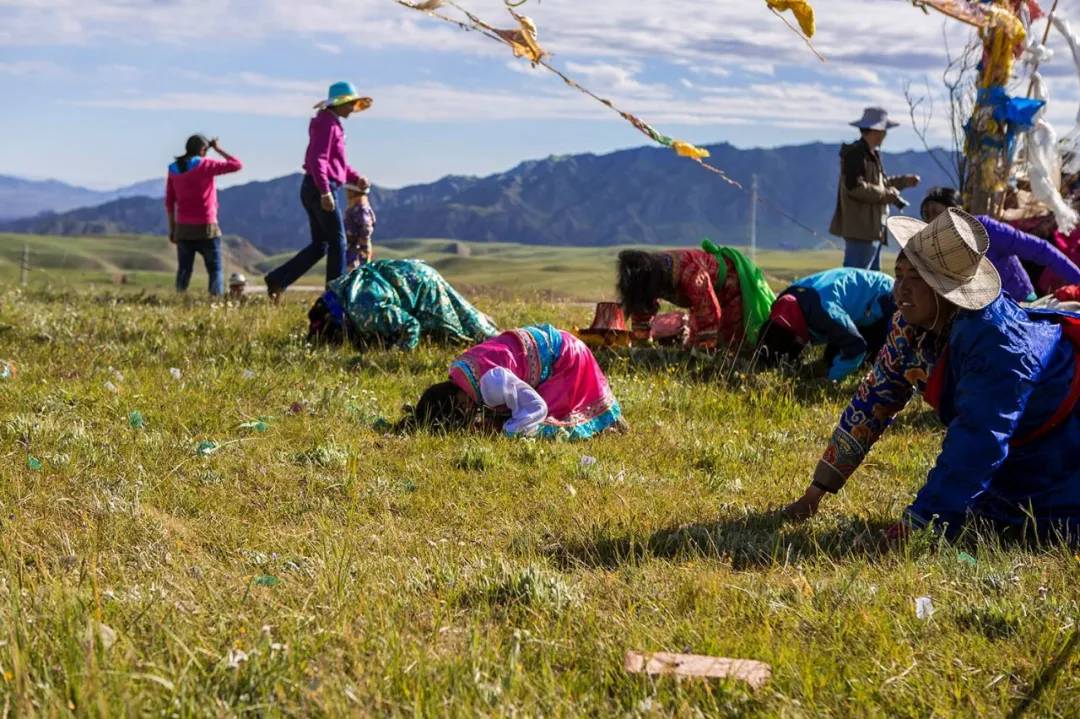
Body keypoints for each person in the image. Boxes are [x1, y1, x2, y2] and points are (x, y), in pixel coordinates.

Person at [783, 208, 1080, 541]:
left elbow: (978, 438)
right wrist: (816, 493)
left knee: (1044, 527)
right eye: (899, 274)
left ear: (945, 290)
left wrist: (919, 526)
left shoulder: (996, 342)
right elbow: (873, 401)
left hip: (1064, 439)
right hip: (1016, 441)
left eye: (918, 278)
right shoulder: (908, 326)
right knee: (983, 516)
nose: (902, 289)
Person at [401, 324, 626, 440]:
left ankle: (606, 427)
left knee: (546, 425)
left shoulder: (490, 384)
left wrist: (506, 432)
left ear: (461, 406)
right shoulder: (460, 369)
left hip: (566, 357)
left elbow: (537, 408)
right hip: (555, 342)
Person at [265, 82, 372, 299]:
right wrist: (325, 192)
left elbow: (337, 164)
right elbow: (318, 158)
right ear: (341, 103)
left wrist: (355, 177)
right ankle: (335, 294)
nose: (353, 108)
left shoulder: (332, 124)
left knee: (321, 244)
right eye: (351, 103)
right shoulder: (326, 124)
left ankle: (278, 279)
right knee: (337, 242)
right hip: (320, 187)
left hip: (318, 186)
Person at [920, 186, 1080, 301]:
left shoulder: (985, 228)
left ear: (956, 211)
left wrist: (1078, 281)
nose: (930, 220)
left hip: (1020, 304)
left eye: (935, 212)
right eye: (926, 215)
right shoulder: (937, 250)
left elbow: (1040, 250)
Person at [617, 240, 775, 350]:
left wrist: (704, 349)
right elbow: (641, 305)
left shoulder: (690, 273)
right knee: (690, 346)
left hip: (730, 288)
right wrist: (642, 341)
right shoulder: (647, 277)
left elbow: (708, 311)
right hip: (700, 299)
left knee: (732, 344)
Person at [306, 259, 497, 350]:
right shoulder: (339, 294)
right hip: (411, 273)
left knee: (470, 334)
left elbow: (411, 326)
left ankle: (509, 339)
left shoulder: (363, 310)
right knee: (464, 313)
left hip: (422, 287)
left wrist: (400, 352)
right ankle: (485, 321)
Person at [757, 268, 896, 381]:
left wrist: (829, 380)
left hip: (885, 298)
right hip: (853, 300)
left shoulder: (826, 312)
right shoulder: (782, 305)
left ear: (796, 338)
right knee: (830, 359)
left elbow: (856, 347)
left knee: (873, 363)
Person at [829, 107, 920, 271]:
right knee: (857, 276)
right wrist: (886, 195)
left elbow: (879, 184)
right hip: (861, 229)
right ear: (878, 130)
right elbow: (855, 188)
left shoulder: (870, 154)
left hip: (871, 229)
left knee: (869, 277)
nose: (885, 135)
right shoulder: (856, 154)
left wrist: (904, 182)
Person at [164, 135, 242, 296]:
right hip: (206, 226)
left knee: (184, 269)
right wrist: (218, 149)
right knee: (215, 269)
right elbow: (236, 165)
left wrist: (173, 230)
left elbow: (170, 202)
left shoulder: (173, 169)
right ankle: (215, 300)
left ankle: (179, 297)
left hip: (183, 228)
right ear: (203, 150)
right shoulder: (206, 165)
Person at [344, 182, 376, 270]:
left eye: (349, 191)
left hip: (359, 248)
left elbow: (366, 226)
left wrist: (362, 241)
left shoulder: (361, 209)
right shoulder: (355, 207)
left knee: (356, 269)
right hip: (353, 246)